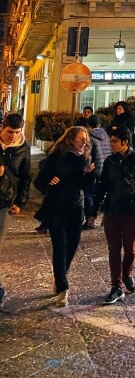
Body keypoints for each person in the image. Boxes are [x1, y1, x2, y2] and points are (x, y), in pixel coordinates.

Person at [34, 127, 95, 307]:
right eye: (80, 139)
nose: (84, 142)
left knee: (72, 246)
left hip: (76, 209)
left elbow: (85, 187)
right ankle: (62, 287)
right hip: (56, 207)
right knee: (60, 246)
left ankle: (60, 276)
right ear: (70, 140)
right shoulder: (56, 157)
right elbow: (39, 181)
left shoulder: (85, 158)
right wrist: (48, 182)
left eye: (86, 139)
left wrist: (90, 175)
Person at [93, 127, 135, 304]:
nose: (111, 144)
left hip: (130, 210)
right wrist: (93, 211)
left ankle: (127, 274)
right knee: (113, 249)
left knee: (130, 249)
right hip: (111, 210)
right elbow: (102, 186)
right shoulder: (110, 161)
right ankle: (116, 286)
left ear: (125, 142)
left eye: (114, 141)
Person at [0, 113, 31, 308]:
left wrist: (21, 201)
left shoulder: (23, 147)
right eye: (10, 132)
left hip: (4, 201)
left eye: (17, 132)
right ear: (2, 128)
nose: (13, 136)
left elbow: (26, 176)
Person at [84, 115, 111, 228]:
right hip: (106, 168)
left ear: (88, 125)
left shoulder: (90, 137)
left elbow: (89, 155)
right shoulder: (107, 136)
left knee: (88, 194)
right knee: (103, 194)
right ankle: (105, 218)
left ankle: (90, 220)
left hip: (94, 169)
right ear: (99, 124)